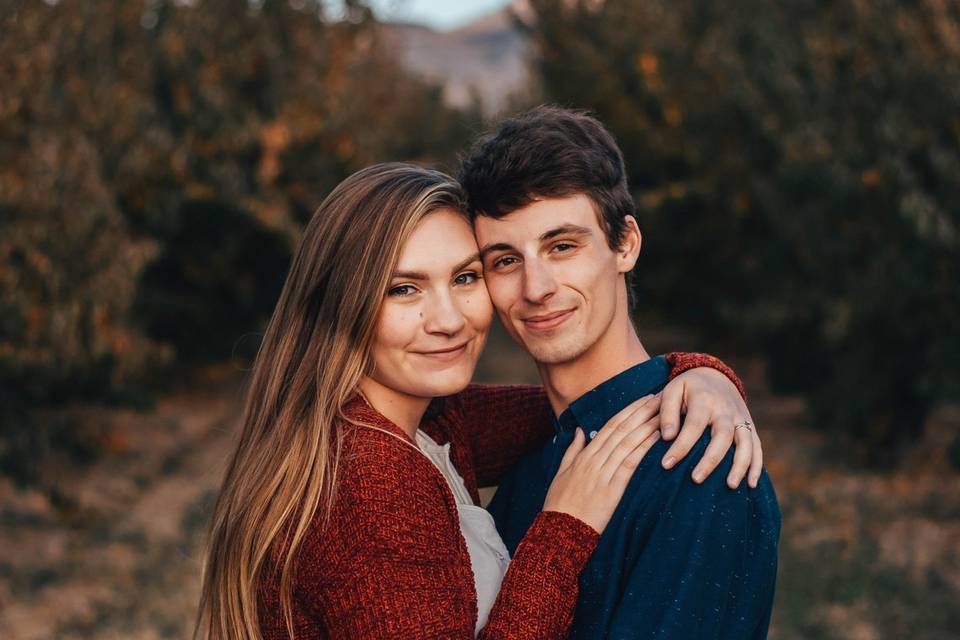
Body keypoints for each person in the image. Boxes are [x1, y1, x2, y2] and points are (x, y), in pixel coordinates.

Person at [194, 163, 760, 640]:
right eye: (404, 289)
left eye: (465, 278)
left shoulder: (434, 425)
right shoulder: (369, 479)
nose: (448, 320)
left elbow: (580, 402)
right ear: (341, 305)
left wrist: (702, 375)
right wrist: (563, 532)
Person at [459, 106, 781, 639]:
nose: (535, 288)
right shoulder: (531, 458)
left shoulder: (700, 466)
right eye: (505, 260)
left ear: (624, 244)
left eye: (562, 246)